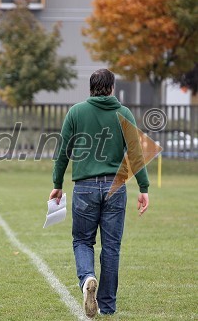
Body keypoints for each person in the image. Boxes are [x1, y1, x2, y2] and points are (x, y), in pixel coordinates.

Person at [49, 69, 149, 318]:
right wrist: (144, 188)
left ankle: (87, 279)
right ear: (112, 88)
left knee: (83, 240)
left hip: (84, 186)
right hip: (116, 186)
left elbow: (63, 152)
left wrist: (57, 183)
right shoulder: (123, 113)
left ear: (91, 88)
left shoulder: (76, 112)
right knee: (111, 247)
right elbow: (135, 154)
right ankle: (107, 305)